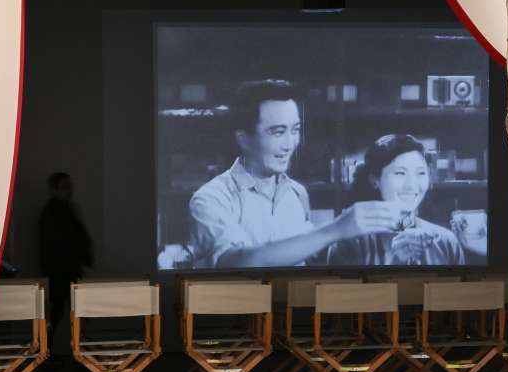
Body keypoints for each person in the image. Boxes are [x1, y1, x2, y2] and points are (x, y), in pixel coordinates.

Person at [187, 80, 398, 268]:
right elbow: (235, 264)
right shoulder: (211, 199)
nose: (290, 144)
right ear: (243, 139)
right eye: (278, 132)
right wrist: (336, 229)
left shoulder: (297, 193)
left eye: (295, 130)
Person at [326, 134, 466, 267]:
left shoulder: (446, 241)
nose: (412, 186)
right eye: (400, 173)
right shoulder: (349, 244)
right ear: (375, 179)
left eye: (421, 173)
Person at [38, 171, 94, 334]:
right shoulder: (53, 212)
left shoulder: (66, 209)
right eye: (65, 186)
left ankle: (72, 343)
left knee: (68, 309)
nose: (69, 190)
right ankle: (51, 344)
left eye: (70, 186)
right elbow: (58, 243)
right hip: (60, 271)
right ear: (54, 189)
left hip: (66, 269)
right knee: (62, 309)